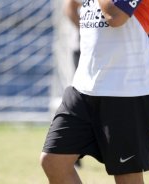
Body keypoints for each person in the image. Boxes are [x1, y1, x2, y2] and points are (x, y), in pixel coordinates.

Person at [40, 0, 149, 183]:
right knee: (53, 161)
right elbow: (71, 7)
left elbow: (115, 16)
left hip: (127, 89)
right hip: (84, 86)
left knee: (126, 175)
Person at [63, 0, 82, 168]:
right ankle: (72, 153)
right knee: (81, 99)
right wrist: (87, 31)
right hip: (83, 48)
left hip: (106, 50)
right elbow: (69, 7)